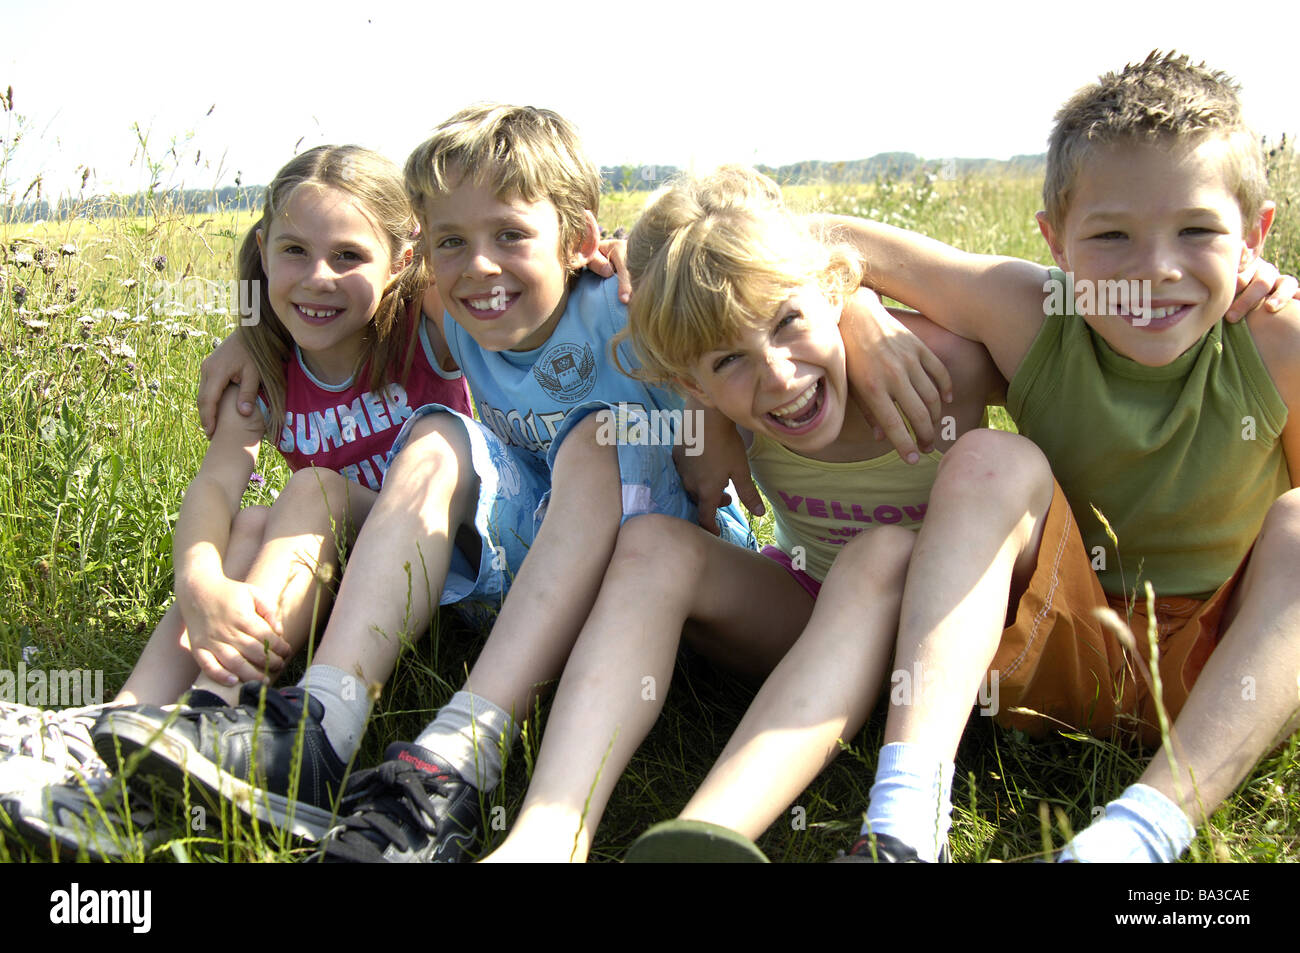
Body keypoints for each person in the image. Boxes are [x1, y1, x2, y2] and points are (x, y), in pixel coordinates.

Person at [182, 104, 953, 863]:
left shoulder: (627, 306)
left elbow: (754, 282)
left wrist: (856, 305)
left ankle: (463, 749)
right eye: (452, 241)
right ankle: (324, 725)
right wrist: (248, 338)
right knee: (436, 433)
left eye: (511, 236)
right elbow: (331, 290)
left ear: (580, 240)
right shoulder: (450, 307)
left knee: (594, 436)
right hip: (536, 564)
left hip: (658, 583)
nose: (480, 266)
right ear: (427, 253)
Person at [819, 51, 1300, 863]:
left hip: (1224, 672)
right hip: (1054, 644)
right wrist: (855, 302)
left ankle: (1134, 839)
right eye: (1111, 235)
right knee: (987, 462)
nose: (1157, 269)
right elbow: (814, 238)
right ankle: (903, 824)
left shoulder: (1275, 341)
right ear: (1056, 241)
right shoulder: (1035, 312)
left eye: (1198, 230)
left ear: (1254, 234)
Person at [479, 166, 1004, 862]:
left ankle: (742, 823)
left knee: (884, 550)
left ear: (832, 293)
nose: (780, 377)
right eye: (731, 361)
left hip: (960, 631)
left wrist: (863, 310)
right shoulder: (718, 409)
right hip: (821, 624)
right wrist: (710, 406)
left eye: (790, 323)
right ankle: (548, 833)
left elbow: (1052, 352)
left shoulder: (939, 367)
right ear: (691, 383)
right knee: (651, 547)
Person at [3, 145, 472, 857]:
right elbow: (216, 484)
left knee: (312, 486)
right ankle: (124, 723)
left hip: (438, 566)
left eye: (349, 255)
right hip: (323, 588)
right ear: (263, 249)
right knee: (247, 523)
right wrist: (200, 587)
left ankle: (208, 720)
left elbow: (500, 270)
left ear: (401, 261)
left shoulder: (429, 324)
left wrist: (618, 258)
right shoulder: (266, 364)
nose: (319, 277)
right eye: (295, 251)